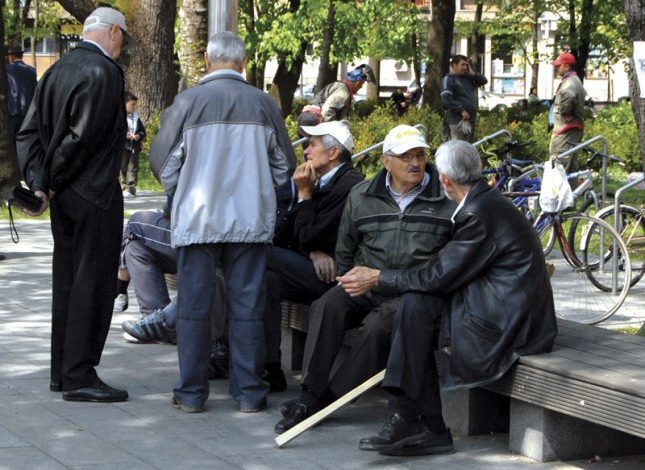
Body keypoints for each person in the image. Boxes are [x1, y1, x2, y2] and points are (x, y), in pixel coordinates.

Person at [339, 140, 558, 456]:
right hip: (505, 309)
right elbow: (442, 274)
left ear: (444, 179)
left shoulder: (478, 214)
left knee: (415, 309)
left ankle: (414, 420)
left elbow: (436, 277)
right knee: (415, 309)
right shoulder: (483, 203)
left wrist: (378, 277)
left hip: (513, 324)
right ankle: (419, 422)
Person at [275, 125, 456, 434]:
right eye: (405, 157)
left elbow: (445, 268)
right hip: (368, 283)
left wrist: (384, 280)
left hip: (413, 291)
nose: (415, 163)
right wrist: (349, 279)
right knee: (328, 304)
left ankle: (329, 399)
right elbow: (346, 248)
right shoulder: (362, 195)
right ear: (386, 161)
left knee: (376, 327)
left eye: (420, 155)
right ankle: (309, 395)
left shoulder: (445, 199)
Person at [150, 31, 296, 414]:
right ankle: (249, 393)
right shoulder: (263, 104)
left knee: (193, 306)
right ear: (243, 63)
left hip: (198, 219)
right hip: (250, 220)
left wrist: (183, 190)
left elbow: (163, 165)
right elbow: (284, 167)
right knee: (247, 306)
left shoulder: (187, 102)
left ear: (206, 59)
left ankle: (191, 393)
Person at [16, 7, 130, 402]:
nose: (123, 46)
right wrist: (50, 180)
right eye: (123, 37)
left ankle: (63, 372)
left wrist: (40, 184)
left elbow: (28, 134)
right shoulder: (104, 73)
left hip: (65, 195)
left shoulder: (55, 71)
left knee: (67, 281)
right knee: (91, 283)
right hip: (94, 193)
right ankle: (79, 373)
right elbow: (80, 140)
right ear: (113, 32)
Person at [264, 120, 363, 392]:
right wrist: (311, 250)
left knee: (255, 253)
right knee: (267, 280)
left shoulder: (349, 186)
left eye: (312, 145)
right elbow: (283, 235)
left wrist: (305, 197)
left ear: (333, 153)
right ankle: (269, 367)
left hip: (335, 279)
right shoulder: (319, 181)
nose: (306, 151)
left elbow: (310, 236)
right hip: (313, 270)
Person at [298, 64, 375, 128]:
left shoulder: (340, 86)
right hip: (314, 120)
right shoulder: (343, 92)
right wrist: (333, 131)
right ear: (357, 82)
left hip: (307, 117)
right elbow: (327, 110)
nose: (361, 87)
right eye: (362, 84)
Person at [548, 52, 586, 172]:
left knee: (558, 167)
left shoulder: (569, 84)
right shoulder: (574, 80)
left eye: (559, 65)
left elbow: (565, 107)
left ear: (566, 66)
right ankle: (572, 185)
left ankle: (562, 186)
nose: (556, 68)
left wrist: (563, 113)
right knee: (570, 169)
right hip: (570, 130)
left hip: (565, 131)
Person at [440, 55, 487, 142]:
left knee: (468, 148)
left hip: (470, 120)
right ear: (454, 65)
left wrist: (472, 73)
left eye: (466, 65)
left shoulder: (468, 78)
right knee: (459, 147)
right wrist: (461, 110)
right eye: (462, 65)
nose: (465, 67)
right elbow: (446, 99)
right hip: (458, 121)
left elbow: (484, 81)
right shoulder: (449, 79)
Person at [6, 48, 37, 142]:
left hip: (13, 109)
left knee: (12, 138)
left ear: (11, 56)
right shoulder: (31, 70)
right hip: (28, 110)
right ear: (22, 56)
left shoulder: (7, 69)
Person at [121, 91, 146, 197]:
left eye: (135, 105)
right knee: (123, 167)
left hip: (134, 147)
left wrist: (139, 135)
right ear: (124, 104)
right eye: (132, 104)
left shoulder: (136, 117)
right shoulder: (120, 117)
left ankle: (131, 188)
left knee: (133, 167)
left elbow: (142, 131)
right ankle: (124, 186)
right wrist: (124, 135)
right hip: (123, 146)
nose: (134, 107)